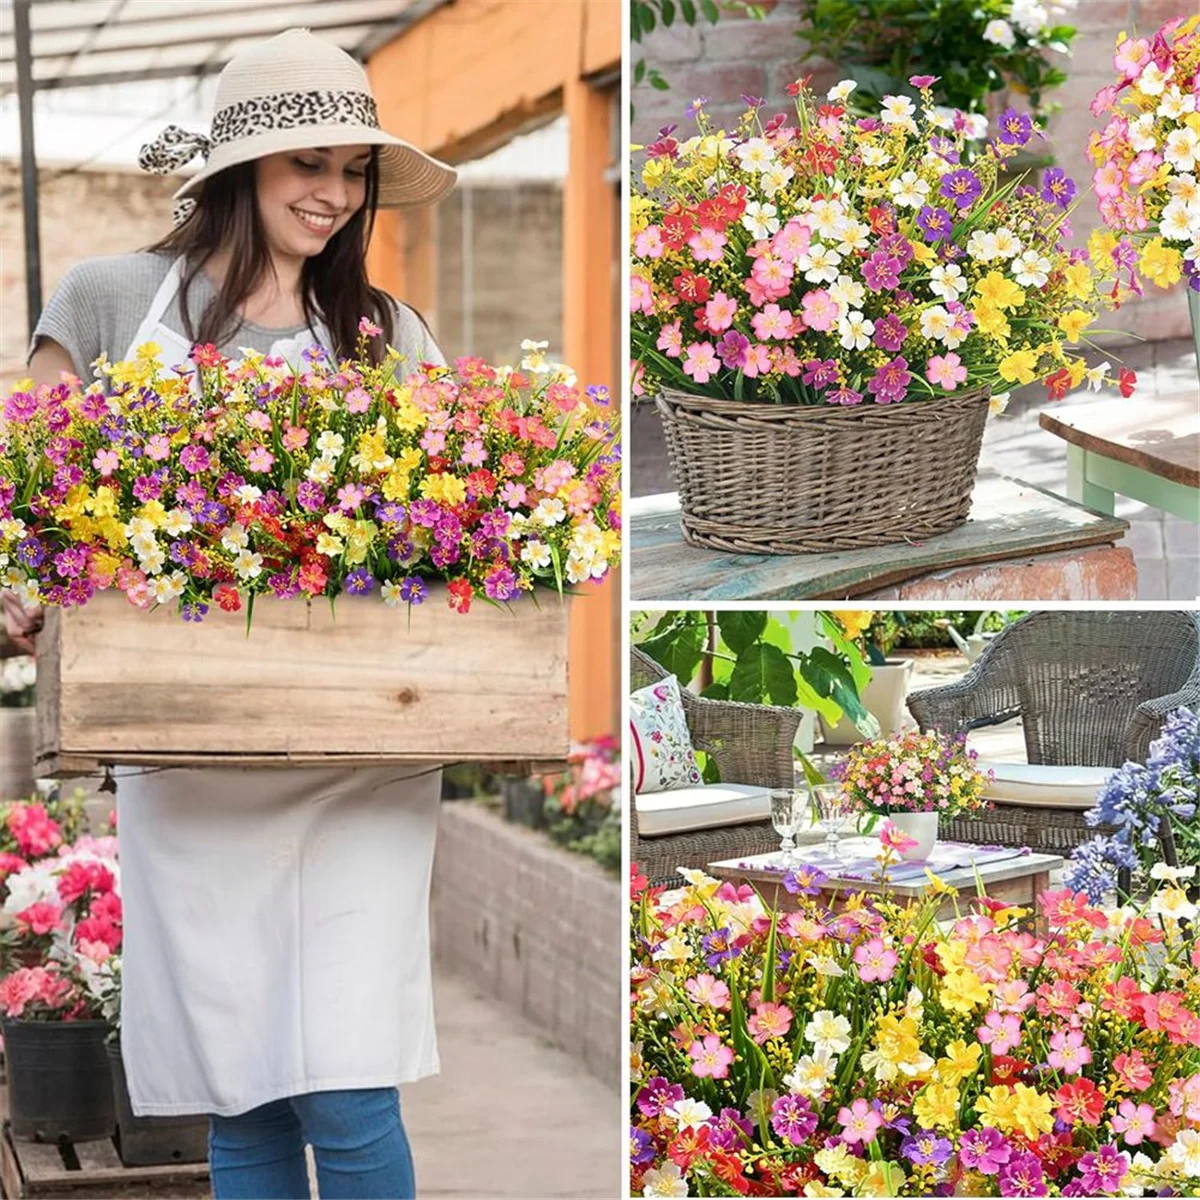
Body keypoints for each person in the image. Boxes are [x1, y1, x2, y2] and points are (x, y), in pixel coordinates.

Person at [4, 28, 458, 1200]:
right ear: (239, 169)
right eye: (308, 162)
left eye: (354, 169)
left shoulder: (386, 337)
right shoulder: (110, 300)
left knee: (352, 1087)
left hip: (360, 759)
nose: (335, 192)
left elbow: (468, 521)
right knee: (241, 1085)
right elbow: (26, 496)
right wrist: (24, 588)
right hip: (186, 755)